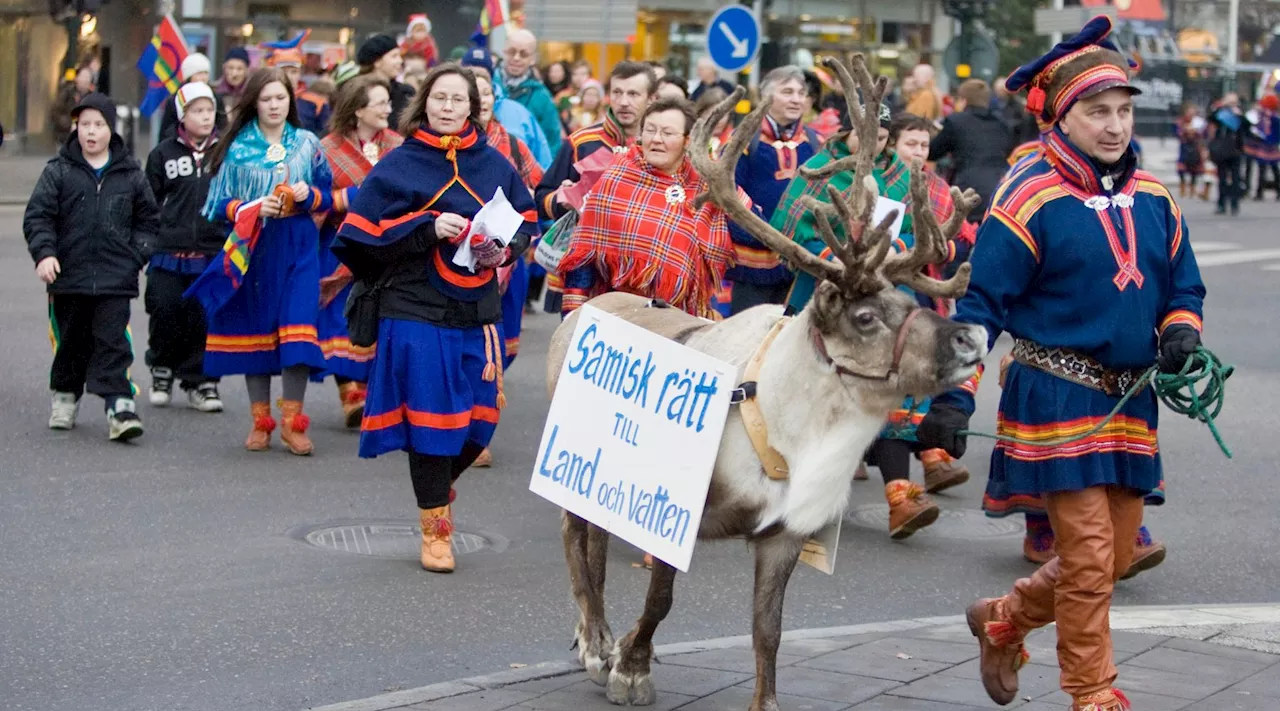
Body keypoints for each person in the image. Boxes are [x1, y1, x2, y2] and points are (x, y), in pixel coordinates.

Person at [914, 17, 1208, 711]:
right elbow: (983, 304)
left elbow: (1183, 282)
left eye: (1124, 110)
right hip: (1053, 391)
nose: (1114, 125)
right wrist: (953, 399)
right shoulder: (1029, 196)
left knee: (1116, 555)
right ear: (1063, 117)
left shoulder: (1158, 198)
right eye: (1097, 111)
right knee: (1085, 563)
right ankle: (1093, 691)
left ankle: (1005, 618)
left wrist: (1180, 330)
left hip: (1132, 398)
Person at [333, 63, 538, 573]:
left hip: (476, 308)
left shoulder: (493, 163)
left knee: (480, 419)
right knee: (430, 420)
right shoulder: (400, 164)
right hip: (413, 307)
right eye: (439, 98)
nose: (448, 107)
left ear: (473, 107)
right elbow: (360, 235)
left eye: (458, 99)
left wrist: (503, 249)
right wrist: (426, 226)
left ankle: (437, 486)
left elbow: (526, 221)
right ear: (424, 102)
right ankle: (436, 528)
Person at [184, 67, 333, 456]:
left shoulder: (306, 142)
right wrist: (251, 205)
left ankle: (293, 424)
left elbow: (329, 195)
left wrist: (309, 196)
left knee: (298, 332)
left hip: (299, 245)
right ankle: (261, 421)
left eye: (280, 98)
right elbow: (215, 205)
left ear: (291, 100)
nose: (274, 106)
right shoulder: (236, 149)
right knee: (258, 330)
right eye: (266, 99)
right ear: (253, 102)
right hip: (255, 246)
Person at [24, 93, 160, 440]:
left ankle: (119, 406)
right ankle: (65, 396)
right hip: (68, 277)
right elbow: (39, 216)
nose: (91, 132)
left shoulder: (130, 174)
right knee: (71, 342)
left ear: (110, 130)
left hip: (116, 278)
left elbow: (148, 221)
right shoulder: (59, 171)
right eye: (85, 124)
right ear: (76, 129)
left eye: (98, 125)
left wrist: (136, 255)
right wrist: (45, 254)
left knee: (113, 343)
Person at [559, 96, 737, 319]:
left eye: (668, 133)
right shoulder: (615, 178)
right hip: (619, 319)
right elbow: (584, 255)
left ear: (687, 140)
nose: (656, 139)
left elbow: (737, 241)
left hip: (685, 322)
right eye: (650, 130)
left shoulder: (707, 184)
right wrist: (572, 314)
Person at [314, 74, 404, 429]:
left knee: (378, 314)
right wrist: (346, 199)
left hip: (385, 247)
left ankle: (369, 390)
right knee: (340, 317)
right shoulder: (327, 149)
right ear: (357, 111)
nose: (388, 109)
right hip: (341, 245)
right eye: (380, 103)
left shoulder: (399, 146)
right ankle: (349, 391)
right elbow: (316, 199)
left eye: (388, 102)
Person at [534, 61, 657, 313]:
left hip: (642, 279)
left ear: (652, 99)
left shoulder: (661, 148)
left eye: (633, 94)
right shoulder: (581, 142)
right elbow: (541, 198)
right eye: (617, 92)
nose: (623, 102)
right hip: (583, 279)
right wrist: (562, 199)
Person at [471, 68, 546, 468]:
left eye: (487, 93)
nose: (481, 99)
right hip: (458, 259)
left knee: (503, 346)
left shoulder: (514, 146)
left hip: (508, 261)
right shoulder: (447, 147)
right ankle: (473, 431)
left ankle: (477, 421)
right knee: (472, 347)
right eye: (473, 93)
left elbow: (541, 186)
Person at [143, 83, 225, 413]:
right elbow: (146, 202)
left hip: (210, 250)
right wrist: (148, 239)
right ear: (182, 115)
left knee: (202, 317)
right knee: (164, 310)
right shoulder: (163, 154)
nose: (205, 117)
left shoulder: (225, 152)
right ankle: (161, 371)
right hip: (168, 250)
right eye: (197, 111)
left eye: (209, 110)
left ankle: (201, 382)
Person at [725, 65, 819, 315]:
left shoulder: (814, 141)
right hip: (752, 265)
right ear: (766, 97)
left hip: (798, 265)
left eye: (801, 93)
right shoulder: (744, 137)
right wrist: (760, 231)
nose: (796, 99)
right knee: (746, 340)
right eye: (787, 91)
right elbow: (726, 190)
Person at [928, 79, 1014, 219]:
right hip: (1000, 191)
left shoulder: (955, 121)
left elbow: (932, 153)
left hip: (967, 190)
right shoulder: (1002, 125)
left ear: (963, 100)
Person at [460, 48, 553, 169]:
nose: (481, 100)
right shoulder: (448, 136)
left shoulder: (517, 120)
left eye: (486, 93)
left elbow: (542, 174)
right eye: (470, 73)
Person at [498, 29, 563, 157]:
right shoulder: (486, 87)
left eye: (523, 54)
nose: (516, 58)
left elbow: (552, 143)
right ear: (503, 52)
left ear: (532, 59)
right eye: (512, 52)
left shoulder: (542, 97)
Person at [160, 53, 229, 139]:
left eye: (206, 73)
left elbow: (223, 127)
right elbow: (165, 132)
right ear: (189, 76)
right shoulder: (175, 100)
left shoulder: (215, 98)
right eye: (199, 73)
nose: (203, 77)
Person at [356, 34, 415, 130]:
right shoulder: (356, 92)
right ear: (377, 61)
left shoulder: (406, 93)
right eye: (394, 56)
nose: (400, 61)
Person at [1208, 92, 1247, 215]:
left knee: (1235, 178)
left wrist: (1239, 115)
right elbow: (1210, 118)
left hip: (1235, 150)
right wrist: (1221, 107)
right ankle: (1221, 204)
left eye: (1234, 102)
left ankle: (1234, 204)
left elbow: (1247, 127)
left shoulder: (1239, 114)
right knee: (1222, 178)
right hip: (1222, 150)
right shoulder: (1221, 114)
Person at [1245, 93, 1280, 200]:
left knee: (1263, 169)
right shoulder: (1274, 116)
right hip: (1271, 145)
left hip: (1264, 144)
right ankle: (1277, 191)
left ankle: (1260, 192)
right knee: (1273, 169)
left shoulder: (1265, 116)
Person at [51, 65, 96, 145]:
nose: (85, 80)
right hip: (65, 136)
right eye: (83, 76)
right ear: (76, 78)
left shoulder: (93, 98)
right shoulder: (67, 93)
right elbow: (56, 112)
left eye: (87, 77)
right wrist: (69, 124)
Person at [1176, 104, 1207, 198]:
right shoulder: (1181, 121)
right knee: (1181, 169)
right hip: (1184, 147)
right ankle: (1182, 187)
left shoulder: (1199, 122)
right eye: (1189, 111)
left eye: (1193, 111)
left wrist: (1195, 132)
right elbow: (1177, 132)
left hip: (1195, 147)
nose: (1191, 113)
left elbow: (1204, 134)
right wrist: (1185, 130)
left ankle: (1192, 189)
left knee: (1194, 169)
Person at [216, 47, 251, 119]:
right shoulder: (216, 93)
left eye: (239, 69)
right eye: (230, 68)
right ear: (224, 68)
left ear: (247, 70)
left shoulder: (252, 94)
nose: (234, 74)